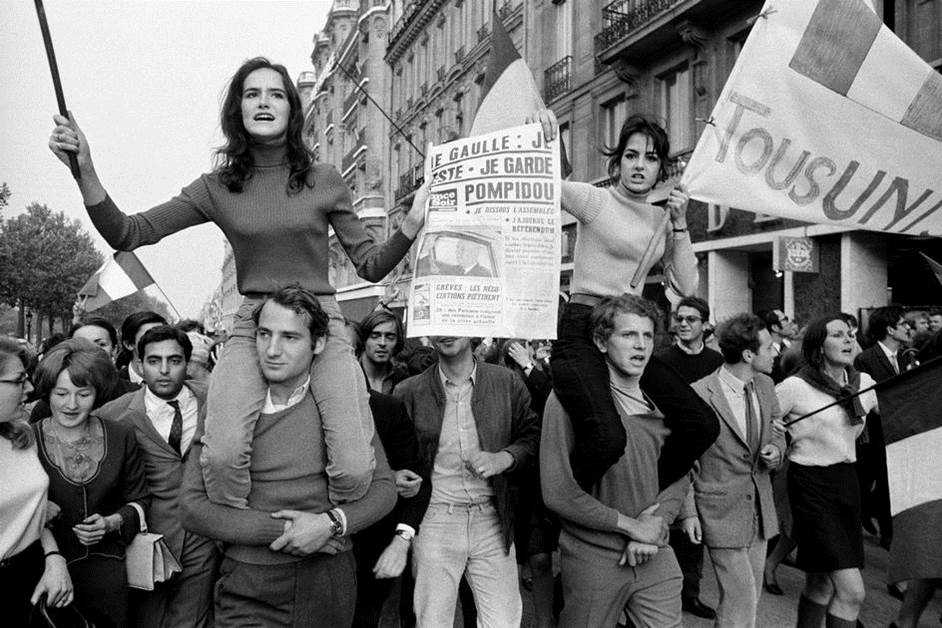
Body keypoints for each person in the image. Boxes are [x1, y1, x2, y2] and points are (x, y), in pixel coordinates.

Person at [49, 56, 428, 510]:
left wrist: (412, 221)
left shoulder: (324, 180)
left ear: (291, 109)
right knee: (224, 455)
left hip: (321, 324)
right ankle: (244, 540)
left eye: (275, 94)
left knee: (353, 465)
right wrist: (84, 168)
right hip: (254, 322)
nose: (264, 102)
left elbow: (369, 265)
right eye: (252, 94)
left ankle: (327, 539)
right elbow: (128, 232)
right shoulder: (217, 187)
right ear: (238, 111)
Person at [180, 286, 397, 627]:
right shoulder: (228, 404)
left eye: (290, 337)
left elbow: (384, 488)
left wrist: (331, 524)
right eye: (264, 334)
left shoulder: (340, 405)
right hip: (248, 581)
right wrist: (284, 530)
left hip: (328, 579)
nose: (273, 350)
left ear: (318, 343)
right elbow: (192, 507)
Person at [537, 110, 718, 496]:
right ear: (618, 161)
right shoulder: (595, 200)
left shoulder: (663, 220)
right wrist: (542, 135)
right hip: (584, 327)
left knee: (701, 424)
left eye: (651, 158)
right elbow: (544, 183)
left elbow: (687, 286)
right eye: (632, 155)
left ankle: (642, 491)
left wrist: (681, 224)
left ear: (661, 169)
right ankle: (567, 503)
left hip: (630, 330)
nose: (640, 165)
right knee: (606, 437)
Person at [541, 294, 688, 627]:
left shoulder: (661, 398)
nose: (641, 346)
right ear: (601, 341)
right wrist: (631, 526)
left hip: (655, 550)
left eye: (647, 336)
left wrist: (655, 525)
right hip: (593, 555)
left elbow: (681, 470)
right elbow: (558, 491)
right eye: (628, 335)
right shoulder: (568, 400)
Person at [394, 334, 540, 627]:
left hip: (492, 519)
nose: (444, 332)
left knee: (503, 621)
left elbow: (533, 436)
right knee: (432, 621)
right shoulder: (409, 391)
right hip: (435, 518)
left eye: (453, 322)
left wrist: (504, 458)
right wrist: (395, 475)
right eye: (438, 323)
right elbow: (390, 452)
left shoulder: (506, 382)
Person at [98, 326, 219, 628]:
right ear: (139, 365)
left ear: (187, 362)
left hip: (203, 535)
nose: (164, 370)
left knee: (192, 620)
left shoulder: (215, 402)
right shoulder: (113, 415)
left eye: (174, 360)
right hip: (147, 539)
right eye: (154, 361)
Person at [31, 339, 150, 627]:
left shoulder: (122, 436)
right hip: (43, 572)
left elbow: (141, 500)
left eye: (83, 394)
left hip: (108, 576)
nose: (71, 405)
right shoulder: (26, 440)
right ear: (48, 392)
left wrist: (113, 522)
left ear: (97, 394)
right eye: (61, 393)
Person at [680, 313, 785, 627]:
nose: (775, 352)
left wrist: (776, 450)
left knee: (748, 602)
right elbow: (684, 461)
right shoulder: (699, 394)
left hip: (759, 510)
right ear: (749, 354)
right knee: (740, 597)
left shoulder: (765, 384)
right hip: (718, 510)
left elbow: (778, 430)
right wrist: (688, 513)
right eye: (769, 347)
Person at [776, 314, 878, 628]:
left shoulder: (864, 384)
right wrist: (774, 433)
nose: (848, 339)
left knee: (820, 584)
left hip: (848, 484)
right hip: (810, 486)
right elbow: (762, 422)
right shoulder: (795, 386)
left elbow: (905, 411)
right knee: (852, 594)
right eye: (838, 335)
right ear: (818, 346)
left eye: (850, 334)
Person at [656, 295, 724, 620]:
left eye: (691, 319)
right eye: (679, 318)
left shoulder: (716, 361)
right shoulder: (662, 360)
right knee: (675, 520)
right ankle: (665, 592)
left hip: (710, 448)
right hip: (672, 445)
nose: (683, 323)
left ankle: (691, 592)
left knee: (699, 527)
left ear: (705, 325)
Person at [1, 337, 73, 625]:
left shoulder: (18, 436)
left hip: (31, 575)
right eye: (19, 380)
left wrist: (54, 557)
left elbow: (34, 512)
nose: (30, 389)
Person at [501, 338, 559, 628]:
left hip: (536, 481)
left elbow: (553, 401)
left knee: (540, 559)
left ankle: (545, 621)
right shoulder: (499, 378)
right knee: (505, 559)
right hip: (506, 480)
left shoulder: (543, 374)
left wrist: (530, 365)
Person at [854, 305, 912, 550]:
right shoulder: (866, 359)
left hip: (899, 432)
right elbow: (862, 399)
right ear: (890, 329)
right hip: (874, 435)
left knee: (891, 483)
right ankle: (863, 515)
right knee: (867, 481)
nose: (909, 327)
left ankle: (888, 533)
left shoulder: (906, 356)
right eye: (903, 324)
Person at [357, 310, 409, 394]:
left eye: (390, 337)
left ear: (397, 341)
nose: (382, 343)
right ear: (364, 339)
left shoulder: (404, 380)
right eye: (375, 336)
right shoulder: (348, 375)